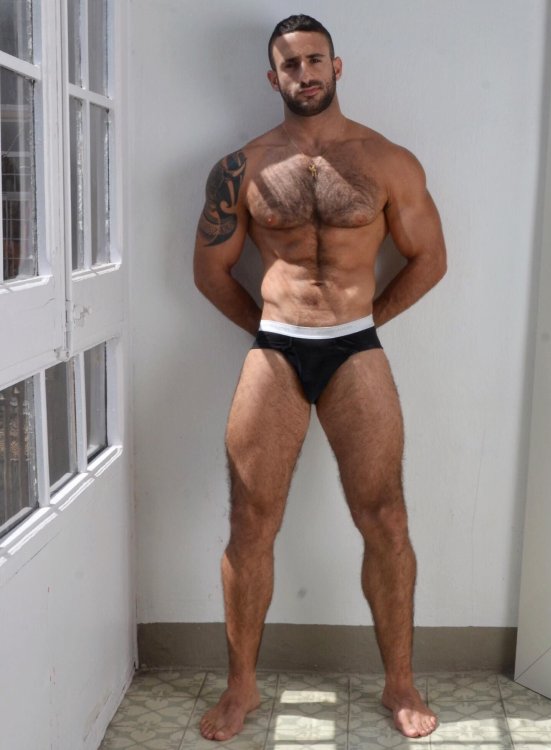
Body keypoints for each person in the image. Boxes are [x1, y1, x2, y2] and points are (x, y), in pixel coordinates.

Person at [192, 14, 447, 742]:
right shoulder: (241, 167)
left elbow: (430, 259)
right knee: (250, 522)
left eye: (314, 60)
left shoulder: (388, 160)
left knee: (386, 518)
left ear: (337, 67)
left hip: (355, 345)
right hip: (275, 346)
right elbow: (210, 271)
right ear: (272, 77)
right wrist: (267, 330)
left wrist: (367, 323)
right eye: (289, 64)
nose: (303, 73)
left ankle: (399, 682)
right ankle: (241, 687)